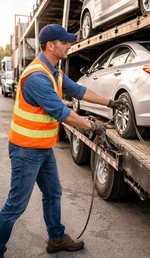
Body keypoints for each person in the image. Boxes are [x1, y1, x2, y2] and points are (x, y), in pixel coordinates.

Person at [0, 24, 124, 257]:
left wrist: (109, 103)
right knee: (15, 206)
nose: (69, 45)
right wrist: (91, 126)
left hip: (43, 149)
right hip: (26, 151)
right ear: (51, 45)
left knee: (53, 193)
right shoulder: (37, 76)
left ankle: (56, 239)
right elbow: (61, 112)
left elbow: (78, 90)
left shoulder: (54, 71)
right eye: (65, 42)